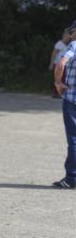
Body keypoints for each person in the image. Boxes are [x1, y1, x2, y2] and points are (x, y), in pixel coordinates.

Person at [53, 23, 76, 189]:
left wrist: (58, 83)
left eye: (71, 31)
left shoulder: (74, 46)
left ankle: (72, 178)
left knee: (74, 139)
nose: (69, 35)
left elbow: (61, 64)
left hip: (72, 99)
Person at [50, 29, 71, 97]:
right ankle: (56, 93)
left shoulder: (69, 45)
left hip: (66, 65)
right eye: (66, 37)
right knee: (58, 78)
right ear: (64, 36)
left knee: (64, 78)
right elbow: (54, 53)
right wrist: (51, 63)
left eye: (69, 38)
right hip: (58, 64)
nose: (68, 39)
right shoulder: (59, 44)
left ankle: (62, 93)